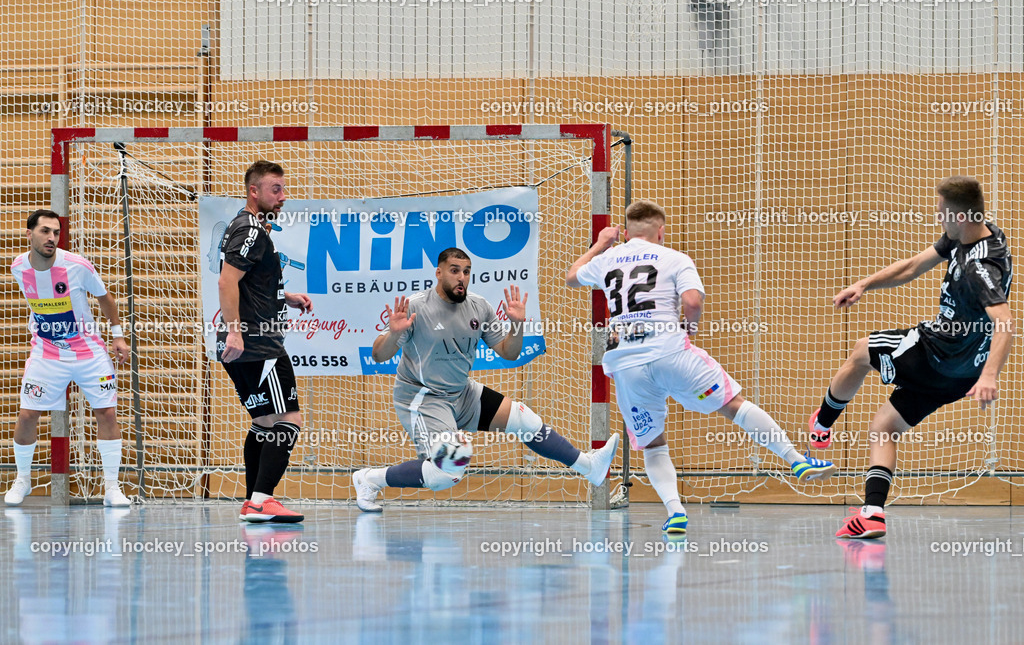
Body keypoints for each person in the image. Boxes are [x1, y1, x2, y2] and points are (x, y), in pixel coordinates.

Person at [566, 200, 836, 535]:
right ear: (660, 231)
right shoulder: (675, 258)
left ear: (626, 230)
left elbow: (571, 277)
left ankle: (675, 511)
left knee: (653, 444)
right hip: (671, 352)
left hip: (628, 364)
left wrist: (600, 244)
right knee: (734, 406)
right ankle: (796, 460)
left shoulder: (607, 259)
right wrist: (689, 330)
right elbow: (692, 301)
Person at [809, 176, 1013, 539]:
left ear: (961, 216)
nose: (939, 219)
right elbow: (912, 266)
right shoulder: (974, 234)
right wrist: (863, 285)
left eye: (942, 214)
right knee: (883, 428)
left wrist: (990, 377)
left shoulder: (979, 267)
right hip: (957, 376)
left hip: (937, 352)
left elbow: (1006, 322)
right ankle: (872, 513)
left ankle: (822, 424)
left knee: (861, 350)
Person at [351, 247, 621, 511]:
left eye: (467, 272)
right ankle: (370, 479)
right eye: (455, 271)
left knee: (524, 420)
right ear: (439, 272)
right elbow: (378, 355)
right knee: (446, 473)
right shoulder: (415, 307)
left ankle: (589, 466)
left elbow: (509, 352)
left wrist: (517, 325)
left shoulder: (479, 307)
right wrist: (394, 333)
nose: (462, 278)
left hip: (461, 392)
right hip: (423, 396)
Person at [5, 209, 132, 507]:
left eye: (56, 233)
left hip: (88, 353)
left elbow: (105, 298)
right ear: (29, 234)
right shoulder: (18, 267)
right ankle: (22, 479)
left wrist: (117, 336)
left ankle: (112, 488)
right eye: (45, 231)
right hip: (46, 353)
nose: (51, 238)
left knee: (107, 413)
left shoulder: (77, 265)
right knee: (27, 415)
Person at [218, 160, 312, 524]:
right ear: (253, 191)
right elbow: (226, 283)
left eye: (284, 189)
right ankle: (262, 501)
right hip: (258, 343)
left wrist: (284, 296)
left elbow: (247, 281)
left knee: (262, 421)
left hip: (251, 341)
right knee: (289, 419)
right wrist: (236, 330)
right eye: (276, 189)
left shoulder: (251, 227)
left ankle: (251, 501)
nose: (283, 196)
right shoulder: (251, 230)